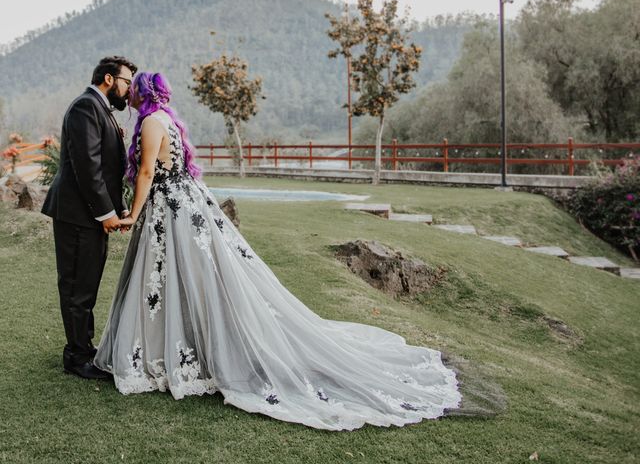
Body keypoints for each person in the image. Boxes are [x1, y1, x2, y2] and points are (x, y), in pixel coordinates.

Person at [94, 71, 461, 430]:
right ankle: (187, 348)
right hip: (186, 202)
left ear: (142, 94)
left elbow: (145, 174)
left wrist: (132, 214)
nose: (129, 96)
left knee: (174, 279)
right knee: (188, 279)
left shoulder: (149, 124)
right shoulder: (168, 121)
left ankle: (178, 352)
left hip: (169, 208)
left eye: (133, 90)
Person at [42, 56, 137, 379]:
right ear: (109, 79)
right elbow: (87, 166)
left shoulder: (101, 110)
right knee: (76, 286)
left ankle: (84, 345)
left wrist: (119, 206)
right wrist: (106, 213)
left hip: (90, 214)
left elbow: (107, 168)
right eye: (126, 82)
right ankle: (76, 356)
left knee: (87, 282)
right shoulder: (86, 107)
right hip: (77, 214)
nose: (129, 90)